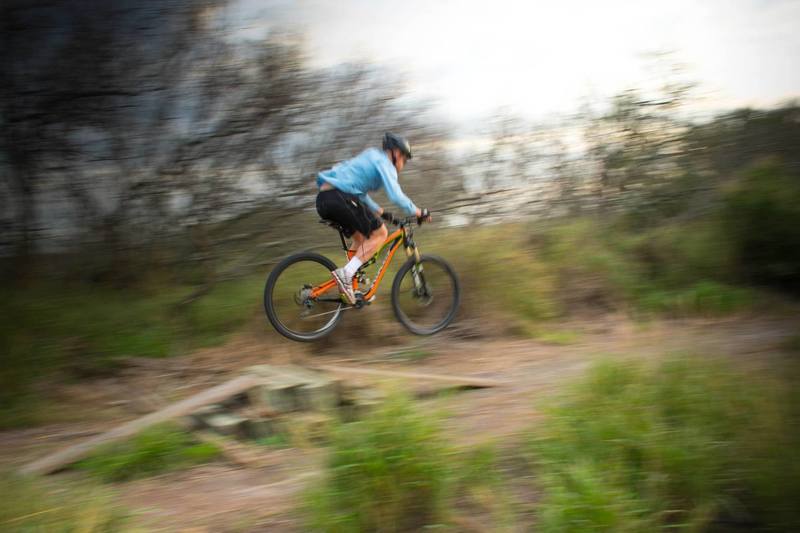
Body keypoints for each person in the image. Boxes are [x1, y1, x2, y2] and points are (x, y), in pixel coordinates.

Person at [316, 132, 431, 304]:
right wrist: (418, 212)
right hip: (340, 197)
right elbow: (396, 195)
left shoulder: (372, 156)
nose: (403, 164)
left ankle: (351, 285)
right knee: (380, 234)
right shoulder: (384, 162)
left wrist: (381, 212)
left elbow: (359, 193)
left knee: (362, 239)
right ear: (397, 153)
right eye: (405, 160)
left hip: (325, 199)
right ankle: (346, 275)